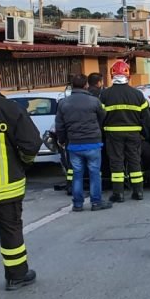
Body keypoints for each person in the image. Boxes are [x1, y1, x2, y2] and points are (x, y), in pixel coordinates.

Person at [0, 59, 42, 299]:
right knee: (11, 232)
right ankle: (17, 276)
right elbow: (32, 143)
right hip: (6, 186)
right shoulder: (9, 108)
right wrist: (23, 163)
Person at [55, 74, 111, 212]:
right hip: (93, 143)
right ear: (86, 85)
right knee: (94, 173)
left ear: (72, 85)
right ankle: (96, 202)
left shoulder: (63, 103)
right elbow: (102, 117)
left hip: (74, 144)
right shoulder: (94, 101)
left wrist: (62, 140)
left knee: (77, 175)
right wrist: (95, 129)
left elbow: (59, 125)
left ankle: (78, 204)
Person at [100, 60, 150, 202]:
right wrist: (144, 134)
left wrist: (102, 133)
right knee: (135, 161)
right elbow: (146, 118)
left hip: (113, 135)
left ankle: (118, 194)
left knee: (116, 163)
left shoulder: (105, 95)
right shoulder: (138, 94)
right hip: (134, 135)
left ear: (112, 76)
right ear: (128, 76)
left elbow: (100, 116)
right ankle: (138, 192)